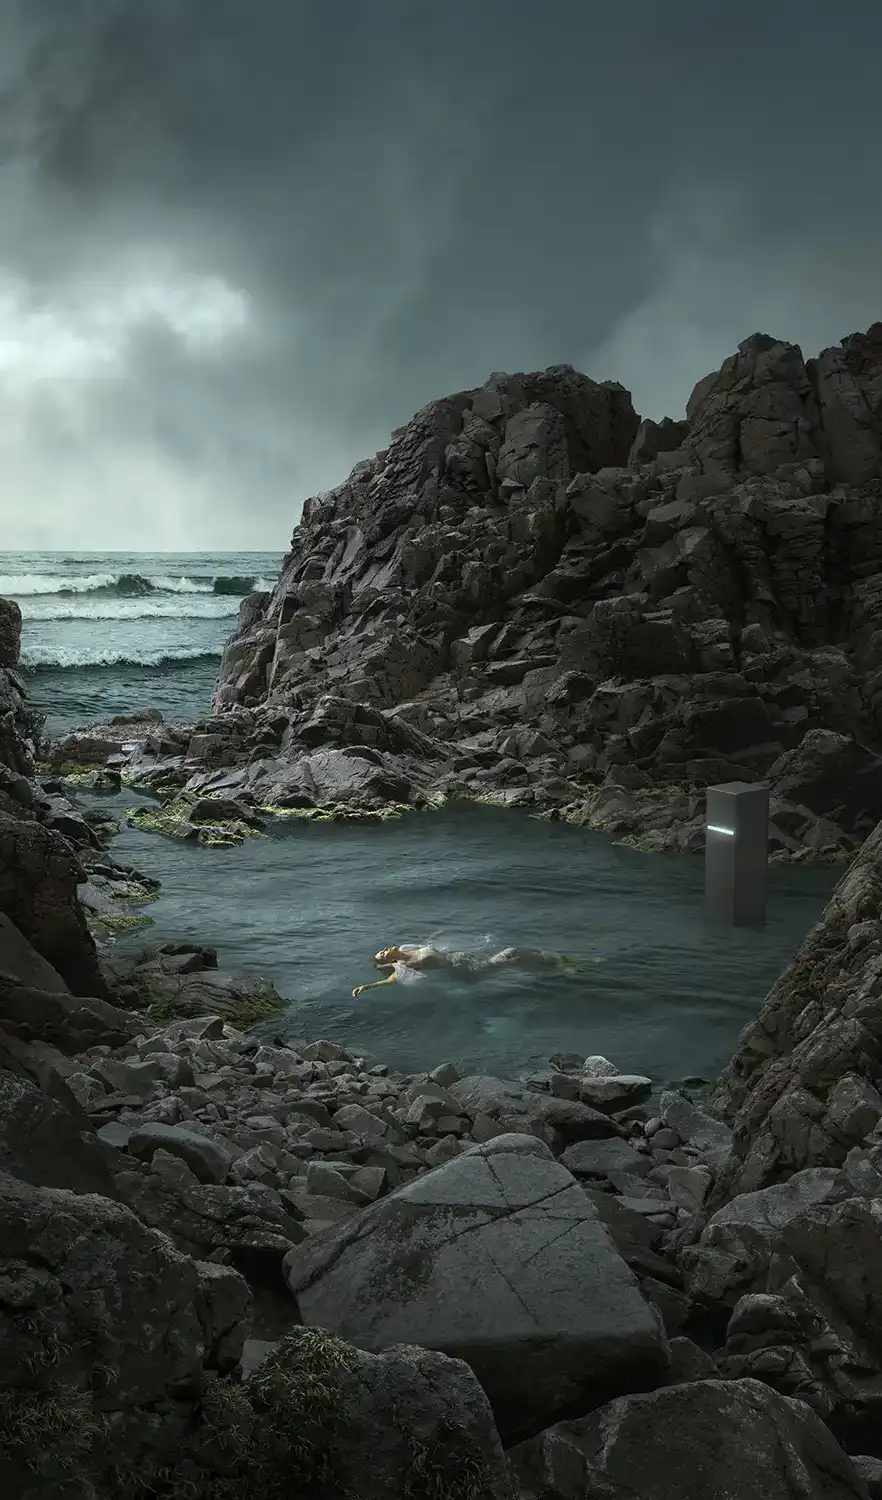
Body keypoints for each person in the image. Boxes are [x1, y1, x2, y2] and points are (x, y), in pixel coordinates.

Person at [351, 942, 598, 996]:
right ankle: (561, 970)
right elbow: (395, 978)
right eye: (380, 954)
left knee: (518, 955)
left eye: (382, 949)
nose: (383, 949)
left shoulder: (409, 947)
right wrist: (370, 985)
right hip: (473, 971)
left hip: (469, 960)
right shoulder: (403, 963)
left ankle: (562, 961)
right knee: (513, 954)